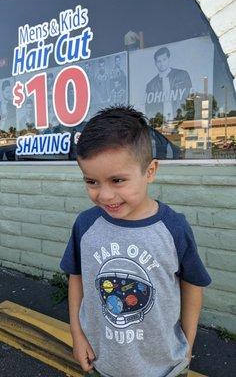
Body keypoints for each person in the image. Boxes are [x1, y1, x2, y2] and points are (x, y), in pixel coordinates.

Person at [60, 106, 211, 377]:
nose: (105, 195)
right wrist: (77, 334)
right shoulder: (85, 225)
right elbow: (76, 276)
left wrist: (188, 343)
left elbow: (193, 284)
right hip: (101, 362)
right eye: (91, 181)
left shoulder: (173, 228)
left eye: (117, 180)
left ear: (150, 171)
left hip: (165, 367)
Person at [145, 47, 192, 122]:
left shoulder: (182, 75)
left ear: (169, 59)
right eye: (159, 61)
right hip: (161, 125)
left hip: (181, 120)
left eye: (164, 60)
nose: (162, 63)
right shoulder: (151, 85)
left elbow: (189, 99)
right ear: (155, 63)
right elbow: (149, 110)